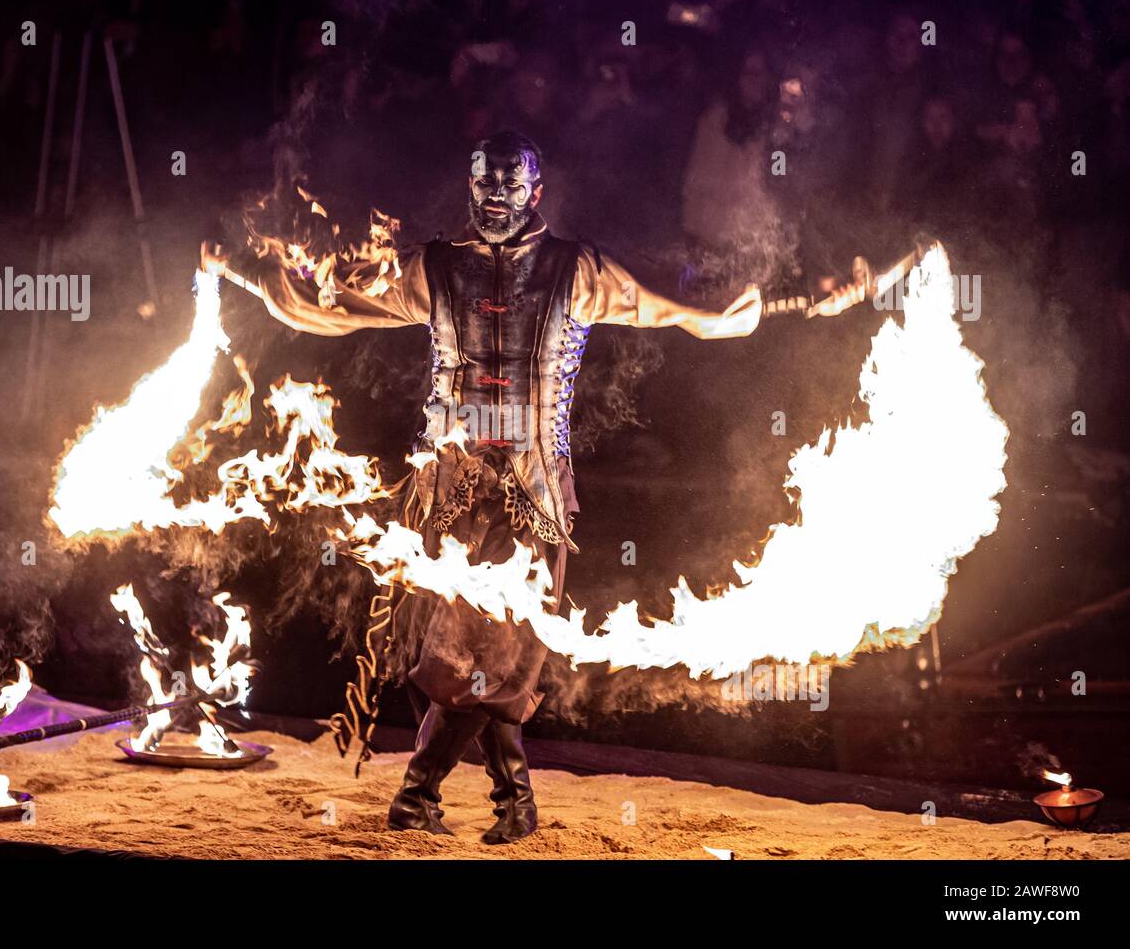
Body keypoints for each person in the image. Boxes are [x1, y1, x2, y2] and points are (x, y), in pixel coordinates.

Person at [202, 130, 867, 843]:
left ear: (535, 192)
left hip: (534, 488)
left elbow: (681, 299)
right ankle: (498, 801)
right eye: (485, 183)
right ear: (469, 186)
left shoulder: (576, 269)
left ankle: (435, 798)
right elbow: (333, 300)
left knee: (500, 651)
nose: (495, 197)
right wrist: (243, 268)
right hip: (450, 485)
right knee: (470, 653)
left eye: (510, 185)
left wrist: (797, 299)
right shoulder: (434, 267)